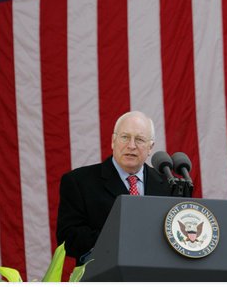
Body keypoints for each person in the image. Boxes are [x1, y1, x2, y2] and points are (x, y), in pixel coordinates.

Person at [56, 111, 171, 265]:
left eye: (139, 139)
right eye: (125, 137)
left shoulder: (169, 186)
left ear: (150, 147)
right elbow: (68, 240)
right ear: (113, 141)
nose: (131, 145)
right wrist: (122, 237)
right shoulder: (79, 182)